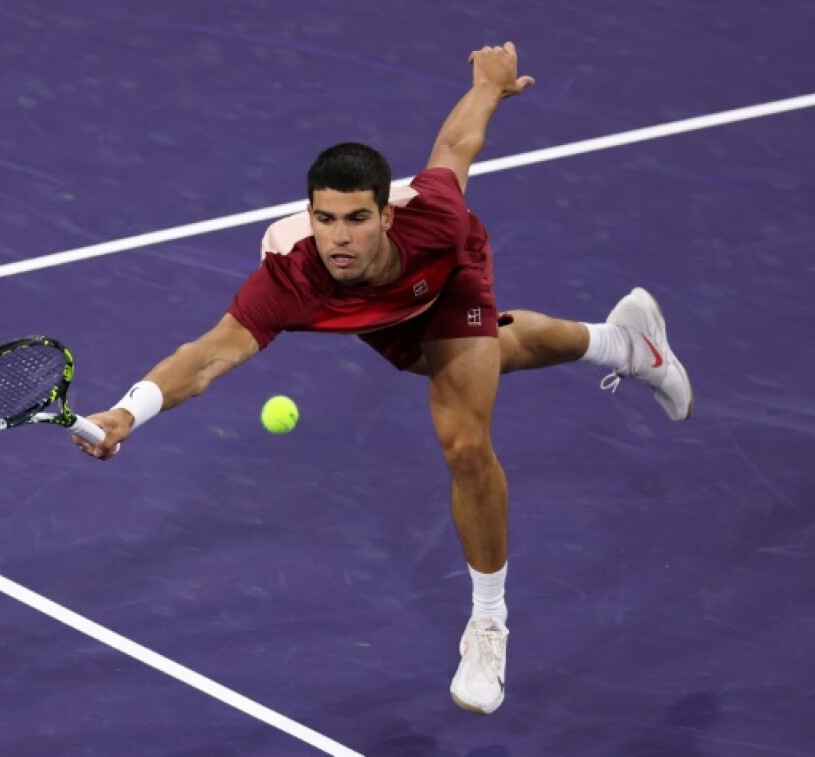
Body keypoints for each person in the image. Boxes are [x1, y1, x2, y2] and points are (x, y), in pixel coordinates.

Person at [74, 42, 693, 715]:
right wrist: (127, 412)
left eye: (357, 218)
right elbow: (208, 355)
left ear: (386, 215)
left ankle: (488, 622)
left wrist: (487, 84)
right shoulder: (293, 276)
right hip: (379, 314)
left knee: (463, 440)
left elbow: (457, 143)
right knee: (507, 347)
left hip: (445, 283)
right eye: (326, 218)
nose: (339, 236)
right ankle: (626, 341)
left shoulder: (434, 221)